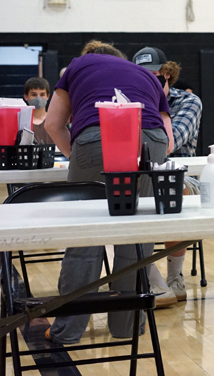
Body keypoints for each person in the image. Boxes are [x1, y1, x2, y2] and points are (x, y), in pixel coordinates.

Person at [44, 41, 174, 344]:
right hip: (150, 141)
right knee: (134, 236)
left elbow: (52, 123)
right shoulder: (147, 76)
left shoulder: (78, 64)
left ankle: (68, 331)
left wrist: (78, 159)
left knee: (84, 237)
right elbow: (167, 142)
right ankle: (126, 327)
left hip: (98, 136)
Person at [133, 46, 203, 303]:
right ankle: (150, 275)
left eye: (152, 75)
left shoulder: (187, 101)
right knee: (125, 194)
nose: (146, 81)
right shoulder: (128, 103)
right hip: (140, 177)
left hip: (181, 175)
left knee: (170, 188)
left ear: (165, 74)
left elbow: (167, 143)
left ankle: (175, 277)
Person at [23, 77, 53, 144]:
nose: (38, 98)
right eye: (34, 95)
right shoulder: (22, 121)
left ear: (48, 96)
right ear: (26, 97)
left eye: (42, 94)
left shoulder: (54, 120)